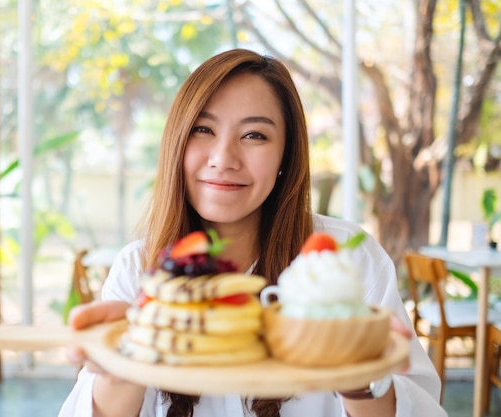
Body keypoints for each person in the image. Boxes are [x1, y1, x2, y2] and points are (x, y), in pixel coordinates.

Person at [58, 48, 447, 417]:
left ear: (285, 154)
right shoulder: (137, 270)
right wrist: (123, 365)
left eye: (254, 135)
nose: (223, 159)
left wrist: (362, 377)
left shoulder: (346, 260)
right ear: (176, 141)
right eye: (203, 129)